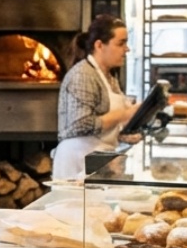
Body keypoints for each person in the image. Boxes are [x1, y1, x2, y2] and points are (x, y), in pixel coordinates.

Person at [52, 15, 137, 181]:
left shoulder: (110, 76)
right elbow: (81, 124)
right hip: (77, 160)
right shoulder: (83, 74)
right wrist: (124, 114)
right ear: (99, 45)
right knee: (76, 206)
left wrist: (122, 135)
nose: (127, 49)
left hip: (96, 157)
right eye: (121, 43)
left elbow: (103, 123)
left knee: (98, 206)